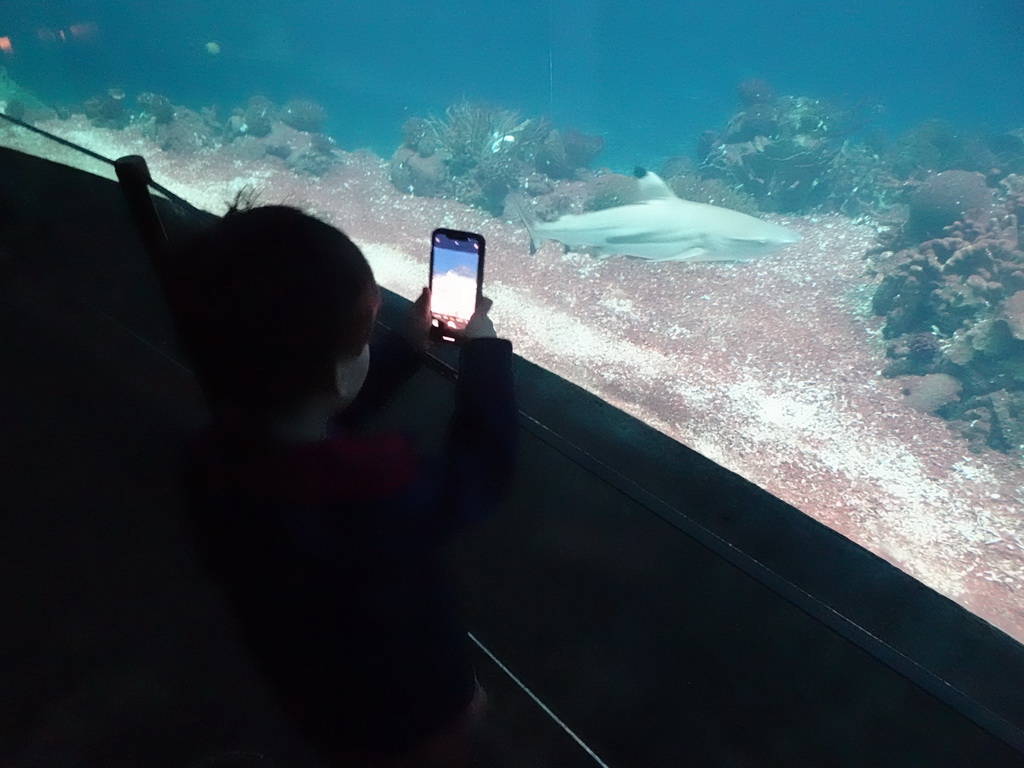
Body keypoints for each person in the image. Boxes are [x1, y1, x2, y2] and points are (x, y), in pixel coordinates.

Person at [178, 202, 518, 767]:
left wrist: (402, 349)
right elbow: (483, 471)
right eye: (365, 332)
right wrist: (483, 351)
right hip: (415, 716)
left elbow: (311, 413)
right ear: (339, 368)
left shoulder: (213, 465)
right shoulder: (377, 494)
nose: (369, 343)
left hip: (311, 691)